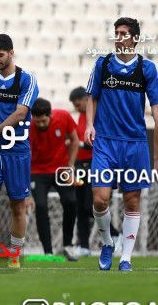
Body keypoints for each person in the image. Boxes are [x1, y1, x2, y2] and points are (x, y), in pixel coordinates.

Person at [85, 17, 158, 272]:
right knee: (100, 200)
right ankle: (107, 242)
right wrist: (89, 125)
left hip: (135, 143)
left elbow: (156, 111)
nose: (119, 37)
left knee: (132, 201)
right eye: (116, 33)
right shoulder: (103, 64)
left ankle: (126, 258)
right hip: (105, 141)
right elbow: (91, 97)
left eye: (124, 33)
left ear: (135, 38)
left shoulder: (147, 69)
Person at [0, 34, 38, 269]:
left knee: (17, 205)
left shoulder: (26, 79)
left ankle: (14, 253)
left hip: (18, 151)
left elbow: (21, 113)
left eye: (0, 55)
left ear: (11, 53)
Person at [69, 87, 120, 256]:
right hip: (80, 165)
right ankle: (84, 246)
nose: (77, 108)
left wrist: (80, 144)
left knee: (92, 205)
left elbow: (93, 139)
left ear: (86, 100)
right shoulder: (82, 118)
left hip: (95, 163)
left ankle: (114, 234)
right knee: (80, 207)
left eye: (78, 104)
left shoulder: (97, 116)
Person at [29, 97, 79, 261]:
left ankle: (67, 245)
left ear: (50, 115)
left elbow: (74, 139)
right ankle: (48, 251)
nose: (41, 124)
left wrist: (71, 166)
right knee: (41, 207)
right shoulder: (27, 127)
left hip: (61, 169)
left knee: (71, 202)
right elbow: (23, 156)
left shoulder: (64, 116)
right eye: (37, 121)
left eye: (43, 121)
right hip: (37, 172)